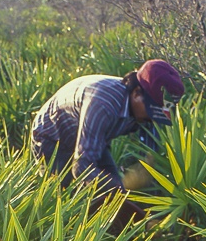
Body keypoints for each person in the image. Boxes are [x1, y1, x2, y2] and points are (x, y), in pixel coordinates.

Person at [30, 60, 184, 229]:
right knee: (66, 203)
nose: (153, 119)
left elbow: (151, 161)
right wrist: (122, 187)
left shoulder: (146, 110)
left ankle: (119, 239)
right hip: (53, 137)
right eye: (152, 110)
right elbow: (81, 167)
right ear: (137, 93)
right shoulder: (103, 103)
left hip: (92, 137)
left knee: (114, 195)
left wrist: (152, 202)